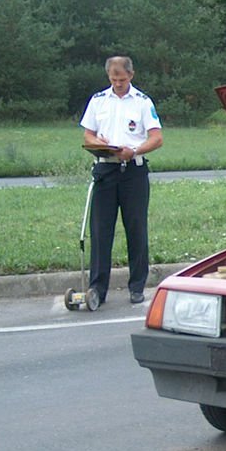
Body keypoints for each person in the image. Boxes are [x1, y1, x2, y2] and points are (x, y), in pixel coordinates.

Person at [80, 55, 163, 305]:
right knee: (100, 230)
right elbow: (88, 135)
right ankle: (98, 288)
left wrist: (135, 150)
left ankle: (137, 286)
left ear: (131, 75)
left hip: (133, 172)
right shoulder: (98, 100)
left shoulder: (142, 102)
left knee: (136, 229)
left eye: (122, 79)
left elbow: (156, 138)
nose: (118, 84)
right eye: (114, 79)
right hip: (105, 169)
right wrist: (98, 142)